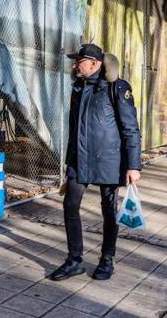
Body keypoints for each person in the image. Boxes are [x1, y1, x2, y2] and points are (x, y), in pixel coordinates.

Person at [49, 44, 142, 281]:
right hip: (80, 161)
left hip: (109, 161)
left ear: (94, 63)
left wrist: (133, 165)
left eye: (79, 60)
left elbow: (131, 129)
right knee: (70, 205)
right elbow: (74, 131)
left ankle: (107, 260)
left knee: (108, 211)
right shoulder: (79, 88)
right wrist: (68, 166)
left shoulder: (117, 88)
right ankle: (74, 261)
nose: (74, 65)